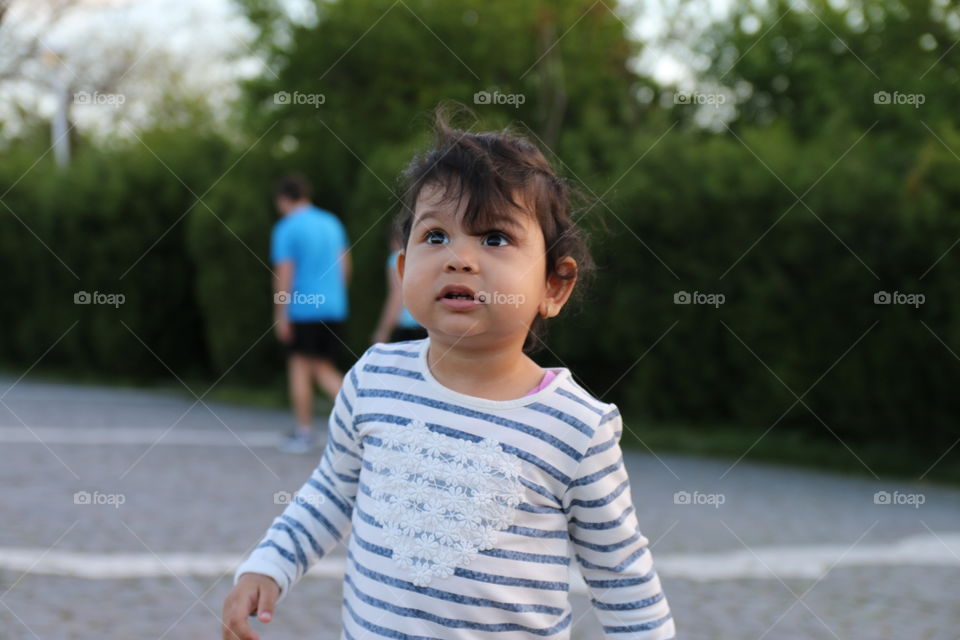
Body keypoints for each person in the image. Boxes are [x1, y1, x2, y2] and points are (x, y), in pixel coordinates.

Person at [223, 113, 675, 639]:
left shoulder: (575, 427)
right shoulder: (375, 379)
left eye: (495, 238)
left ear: (555, 285)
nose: (459, 258)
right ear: (401, 268)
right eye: (435, 235)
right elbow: (331, 490)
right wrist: (269, 564)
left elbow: (622, 576)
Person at [271, 174, 352, 454]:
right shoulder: (332, 222)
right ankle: (310, 428)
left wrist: (281, 313)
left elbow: (284, 274)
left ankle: (306, 432)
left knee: (307, 368)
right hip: (334, 305)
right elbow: (345, 266)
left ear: (283, 199)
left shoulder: (287, 227)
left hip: (304, 309)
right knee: (319, 366)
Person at [371, 230, 428, 344]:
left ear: (394, 241)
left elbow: (397, 296)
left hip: (409, 326)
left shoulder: (396, 259)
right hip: (428, 324)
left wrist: (383, 331)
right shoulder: (425, 258)